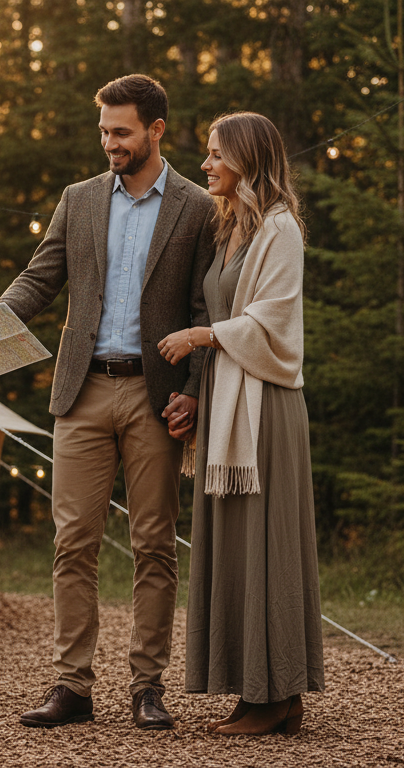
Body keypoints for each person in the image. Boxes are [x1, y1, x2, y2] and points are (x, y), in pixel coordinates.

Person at [0, 74, 215, 730]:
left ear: (155, 131)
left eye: (120, 132)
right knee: (73, 542)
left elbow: (207, 308)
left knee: (153, 544)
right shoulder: (79, 199)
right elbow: (40, 279)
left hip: (157, 397)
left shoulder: (198, 206)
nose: (109, 143)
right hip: (82, 391)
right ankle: (72, 687)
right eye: (103, 132)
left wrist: (195, 393)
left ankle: (147, 687)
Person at [157, 111, 325, 736]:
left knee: (268, 546)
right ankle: (265, 690)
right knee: (235, 548)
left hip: (266, 411)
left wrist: (201, 336)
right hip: (230, 406)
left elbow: (272, 321)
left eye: (216, 155)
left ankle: (273, 694)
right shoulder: (231, 229)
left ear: (248, 160)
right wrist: (199, 391)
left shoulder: (280, 230)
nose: (206, 165)